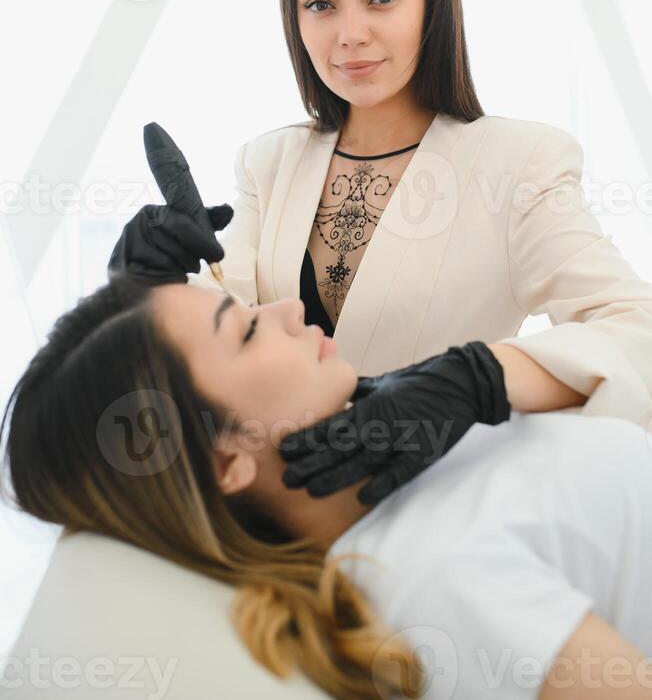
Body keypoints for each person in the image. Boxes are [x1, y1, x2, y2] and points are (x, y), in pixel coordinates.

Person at [108, 0, 652, 505]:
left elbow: (637, 332)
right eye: (320, 4)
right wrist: (147, 289)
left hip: (429, 511)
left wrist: (477, 379)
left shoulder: (518, 162)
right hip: (270, 516)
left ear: (434, 3)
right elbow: (225, 321)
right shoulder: (270, 161)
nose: (350, 34)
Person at [2, 276, 651, 700]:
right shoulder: (431, 579)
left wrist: (487, 376)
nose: (288, 308)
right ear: (227, 461)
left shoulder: (408, 429)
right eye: (250, 329)